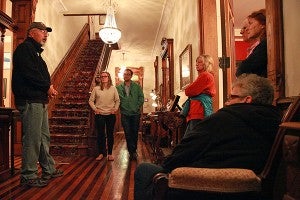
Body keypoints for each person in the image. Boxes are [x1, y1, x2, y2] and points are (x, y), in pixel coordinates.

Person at [134, 73, 281, 199]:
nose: (227, 102)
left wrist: (165, 166)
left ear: (247, 100)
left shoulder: (223, 118)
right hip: (251, 193)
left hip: (203, 188)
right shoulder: (278, 122)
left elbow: (182, 154)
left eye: (231, 97)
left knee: (145, 169)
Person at [12, 22, 63, 187]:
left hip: (39, 100)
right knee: (33, 139)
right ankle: (28, 175)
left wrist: (50, 87)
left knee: (43, 137)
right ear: (31, 33)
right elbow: (30, 74)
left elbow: (39, 75)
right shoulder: (24, 49)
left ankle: (49, 168)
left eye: (46, 32)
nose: (45, 34)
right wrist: (47, 87)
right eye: (42, 31)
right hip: (30, 100)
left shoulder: (35, 52)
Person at [181, 55, 216, 138]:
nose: (196, 64)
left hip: (199, 110)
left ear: (207, 64)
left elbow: (190, 91)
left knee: (192, 138)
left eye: (200, 62)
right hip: (197, 109)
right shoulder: (203, 76)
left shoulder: (205, 75)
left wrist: (188, 89)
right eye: (196, 62)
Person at [88, 72, 120, 161]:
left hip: (110, 114)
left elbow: (117, 100)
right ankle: (101, 153)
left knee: (110, 134)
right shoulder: (96, 89)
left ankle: (110, 154)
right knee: (100, 134)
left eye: (105, 76)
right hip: (100, 114)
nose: (103, 78)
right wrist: (95, 109)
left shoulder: (113, 89)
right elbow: (90, 101)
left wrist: (115, 109)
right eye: (101, 77)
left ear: (108, 77)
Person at [116, 69, 144, 160]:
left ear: (131, 76)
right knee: (127, 132)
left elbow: (141, 98)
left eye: (128, 74)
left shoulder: (137, 86)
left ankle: (134, 151)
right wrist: (121, 107)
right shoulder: (118, 87)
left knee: (134, 132)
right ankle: (131, 151)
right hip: (124, 113)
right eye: (124, 74)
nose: (126, 76)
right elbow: (117, 99)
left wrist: (137, 107)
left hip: (135, 113)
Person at [236, 9, 267, 77]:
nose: (247, 28)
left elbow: (243, 69)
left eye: (251, 23)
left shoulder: (265, 45)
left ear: (262, 25)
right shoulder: (262, 45)